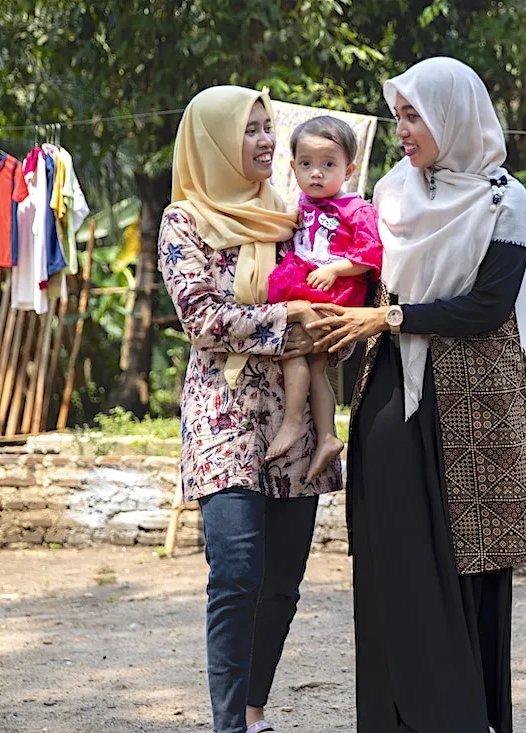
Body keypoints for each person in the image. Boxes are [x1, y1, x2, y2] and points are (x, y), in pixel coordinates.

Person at [309, 57, 526, 733]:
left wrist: (390, 318)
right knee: (393, 556)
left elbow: (484, 307)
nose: (402, 130)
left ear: (453, 114)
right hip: (391, 389)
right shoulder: (391, 194)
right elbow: (376, 271)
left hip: (472, 405)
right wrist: (349, 277)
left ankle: (460, 715)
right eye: (398, 116)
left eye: (414, 115)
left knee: (468, 559)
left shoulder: (504, 200)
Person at [158, 85, 343, 733]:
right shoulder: (184, 221)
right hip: (225, 417)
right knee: (236, 573)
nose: (267, 140)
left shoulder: (292, 216)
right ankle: (228, 724)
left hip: (296, 417)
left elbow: (333, 295)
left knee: (284, 583)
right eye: (251, 130)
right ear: (213, 141)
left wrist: (326, 317)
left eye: (270, 128)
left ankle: (254, 709)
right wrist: (290, 319)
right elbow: (203, 318)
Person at [265, 116, 383, 482]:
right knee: (315, 366)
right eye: (306, 164)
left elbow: (372, 252)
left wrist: (337, 270)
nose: (316, 173)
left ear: (349, 169)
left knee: (294, 350)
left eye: (328, 164)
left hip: (333, 289)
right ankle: (328, 436)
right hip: (306, 282)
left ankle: (293, 421)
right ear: (293, 166)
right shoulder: (299, 204)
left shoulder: (356, 208)